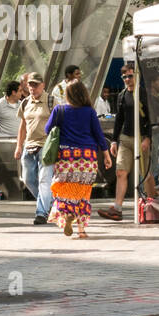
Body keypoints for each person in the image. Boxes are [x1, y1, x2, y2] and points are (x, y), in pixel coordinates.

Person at [44, 79, 111, 238]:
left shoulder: (59, 110)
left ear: (67, 94)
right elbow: (99, 135)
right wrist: (106, 155)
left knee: (65, 192)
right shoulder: (89, 111)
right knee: (83, 193)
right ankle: (81, 231)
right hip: (87, 158)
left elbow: (47, 129)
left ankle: (67, 213)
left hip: (66, 157)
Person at [98, 65, 155, 221]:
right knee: (121, 172)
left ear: (136, 76)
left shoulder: (143, 94)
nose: (128, 80)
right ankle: (117, 208)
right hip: (126, 138)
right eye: (124, 77)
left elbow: (151, 118)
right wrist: (114, 141)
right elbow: (119, 119)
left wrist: (148, 138)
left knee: (146, 174)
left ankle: (153, 205)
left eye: (130, 76)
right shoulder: (122, 95)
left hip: (141, 137)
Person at [14, 72, 54, 224]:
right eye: (30, 84)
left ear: (43, 85)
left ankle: (41, 213)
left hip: (46, 146)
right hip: (28, 146)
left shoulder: (51, 100)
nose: (32, 87)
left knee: (45, 180)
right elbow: (22, 126)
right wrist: (19, 145)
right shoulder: (25, 103)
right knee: (28, 179)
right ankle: (48, 203)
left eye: (36, 84)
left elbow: (58, 123)